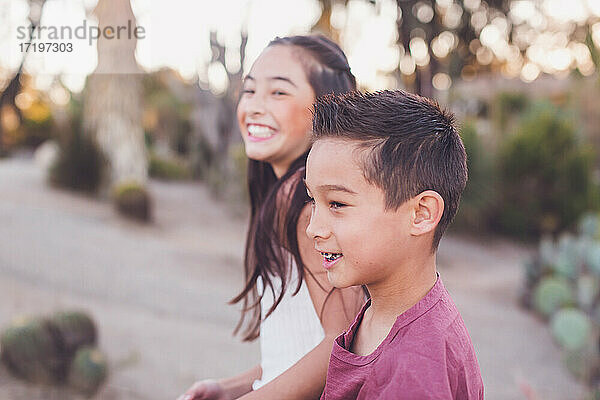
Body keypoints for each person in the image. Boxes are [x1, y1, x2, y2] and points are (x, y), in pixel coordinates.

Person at [177, 35, 363, 400]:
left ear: (327, 109)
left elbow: (342, 346)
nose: (255, 106)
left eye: (278, 93)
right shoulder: (289, 197)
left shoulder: (302, 203)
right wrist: (227, 388)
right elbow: (299, 351)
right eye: (249, 91)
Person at [304, 90, 484, 399]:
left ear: (421, 214)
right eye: (313, 200)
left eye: (337, 204)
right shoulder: (379, 315)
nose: (313, 229)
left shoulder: (415, 371)